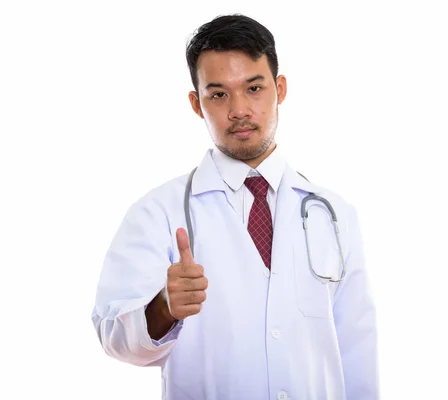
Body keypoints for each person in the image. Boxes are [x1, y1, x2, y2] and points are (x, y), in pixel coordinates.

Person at [92, 13, 379, 400]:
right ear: (197, 104)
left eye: (254, 88)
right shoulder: (157, 212)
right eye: (219, 94)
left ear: (280, 88)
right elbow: (113, 337)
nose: (239, 109)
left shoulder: (334, 214)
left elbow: (357, 351)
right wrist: (163, 308)